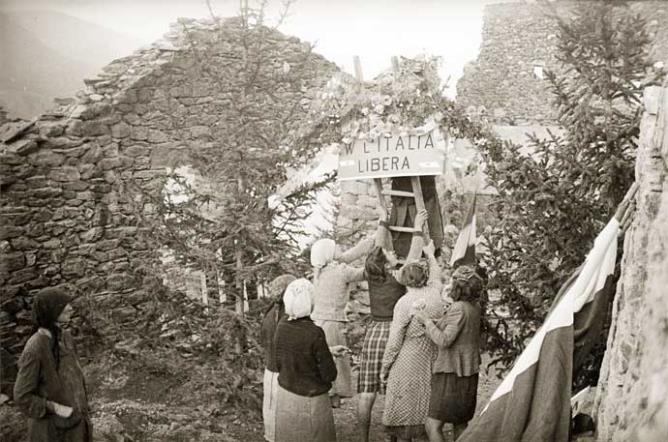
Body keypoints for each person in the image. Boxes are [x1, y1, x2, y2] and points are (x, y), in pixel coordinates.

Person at [357, 210, 428, 442]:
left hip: (374, 331)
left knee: (367, 392)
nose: (390, 251)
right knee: (394, 389)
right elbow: (414, 256)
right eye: (388, 252)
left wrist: (383, 220)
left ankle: (362, 438)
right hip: (395, 330)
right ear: (385, 261)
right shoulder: (398, 276)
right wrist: (418, 226)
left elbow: (378, 248)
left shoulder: (371, 272)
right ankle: (395, 437)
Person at [381, 238, 447, 442]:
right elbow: (436, 276)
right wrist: (430, 254)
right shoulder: (435, 293)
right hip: (431, 357)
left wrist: (385, 367)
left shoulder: (404, 303)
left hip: (408, 360)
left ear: (405, 280)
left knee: (404, 412)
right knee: (424, 406)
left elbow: (394, 341)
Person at [310, 221, 381, 407]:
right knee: (336, 360)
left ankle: (328, 395)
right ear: (329, 255)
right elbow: (365, 273)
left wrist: (361, 248)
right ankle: (333, 397)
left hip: (318, 321)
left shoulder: (319, 271)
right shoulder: (341, 272)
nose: (339, 248)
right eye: (335, 248)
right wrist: (375, 254)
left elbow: (342, 259)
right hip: (333, 323)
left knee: (323, 359)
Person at [13, 287, 92, 442]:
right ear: (50, 311)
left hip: (76, 424)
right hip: (52, 431)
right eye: (64, 305)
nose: (70, 308)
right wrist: (55, 408)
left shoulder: (65, 338)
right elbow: (22, 396)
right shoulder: (35, 347)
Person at [415, 265, 483, 442]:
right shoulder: (474, 307)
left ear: (458, 287)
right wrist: (433, 322)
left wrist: (426, 321)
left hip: (451, 373)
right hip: (468, 372)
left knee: (433, 425)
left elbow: (444, 340)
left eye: (452, 282)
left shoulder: (459, 307)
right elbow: (456, 326)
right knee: (460, 424)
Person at [274, 278, 345, 442]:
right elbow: (329, 375)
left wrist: (328, 351)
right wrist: (329, 357)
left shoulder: (282, 325)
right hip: (311, 400)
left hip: (286, 396)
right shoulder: (315, 332)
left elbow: (283, 361)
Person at [260, 274, 296, 442]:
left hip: (271, 371)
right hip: (283, 373)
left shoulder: (270, 311)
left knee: (271, 410)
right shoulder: (287, 316)